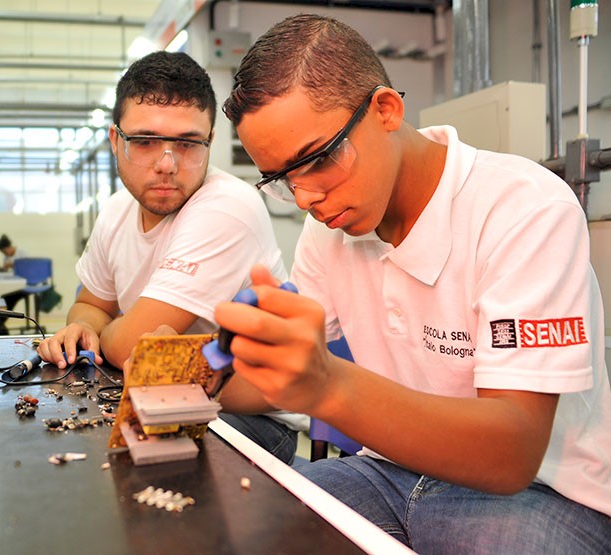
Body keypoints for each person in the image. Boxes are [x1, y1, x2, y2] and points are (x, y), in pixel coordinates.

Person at [218, 14, 611, 553]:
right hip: (387, 471)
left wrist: (327, 384)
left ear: (386, 109)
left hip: (543, 493)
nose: (306, 198)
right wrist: (202, 369)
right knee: (245, 525)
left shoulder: (524, 209)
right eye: (282, 179)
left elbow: (512, 453)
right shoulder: (328, 231)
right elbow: (270, 380)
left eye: (318, 160)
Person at [36, 50, 306, 463]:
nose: (167, 164)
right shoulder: (117, 209)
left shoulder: (227, 207)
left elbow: (130, 347)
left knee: (134, 468)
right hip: (159, 390)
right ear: (116, 141)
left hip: (249, 417)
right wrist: (85, 329)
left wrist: (110, 333)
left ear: (209, 141)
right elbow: (91, 304)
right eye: (145, 142)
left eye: (187, 143)